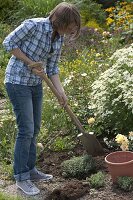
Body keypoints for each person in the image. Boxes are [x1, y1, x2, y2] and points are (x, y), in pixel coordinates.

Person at [2, 2, 81, 196]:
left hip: (35, 84)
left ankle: (30, 170)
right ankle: (21, 177)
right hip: (17, 81)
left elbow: (52, 68)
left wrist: (61, 91)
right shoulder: (33, 25)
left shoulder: (58, 39)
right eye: (69, 26)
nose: (71, 30)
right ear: (59, 20)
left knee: (35, 129)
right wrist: (30, 62)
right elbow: (8, 43)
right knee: (26, 129)